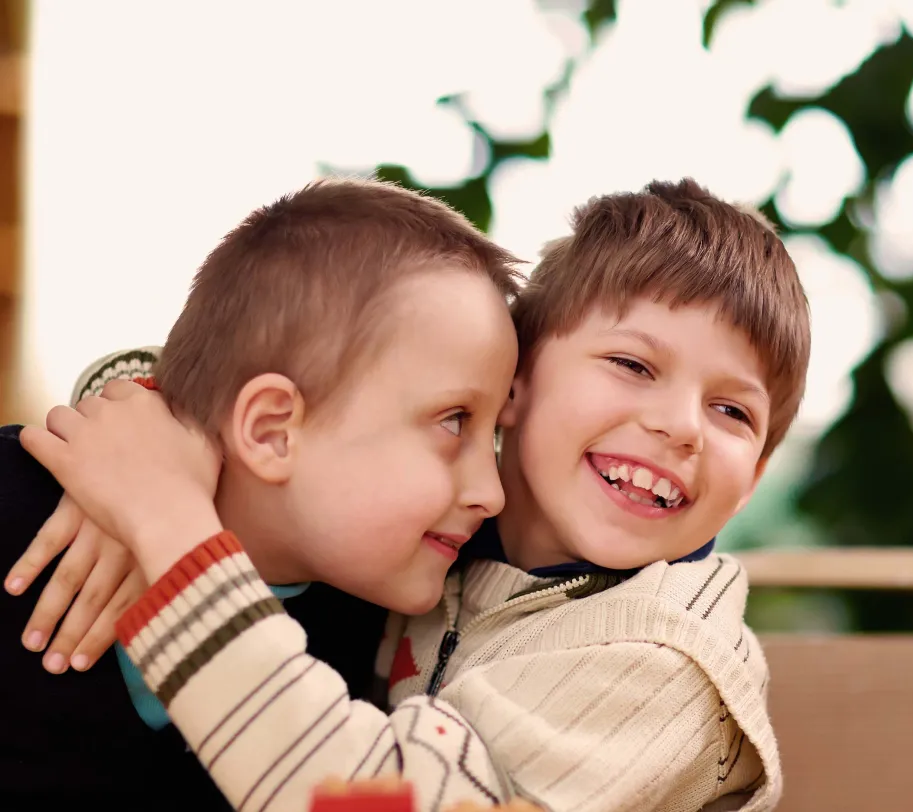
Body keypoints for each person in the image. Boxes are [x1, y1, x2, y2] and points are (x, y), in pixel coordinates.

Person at [25, 179, 810, 811]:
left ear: (755, 483)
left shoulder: (665, 667)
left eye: (733, 412)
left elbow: (355, 796)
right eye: (634, 366)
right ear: (515, 382)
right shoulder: (450, 537)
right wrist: (149, 425)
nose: (681, 429)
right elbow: (299, 376)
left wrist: (166, 517)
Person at [0, 177, 522, 810]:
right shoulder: (17, 506)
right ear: (272, 431)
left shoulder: (385, 626)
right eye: (453, 421)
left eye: (494, 435)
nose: (492, 492)